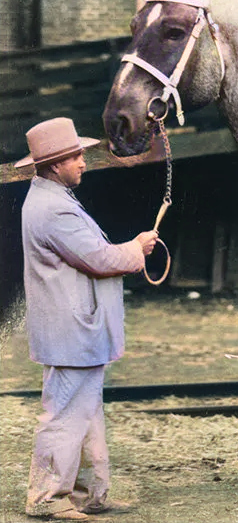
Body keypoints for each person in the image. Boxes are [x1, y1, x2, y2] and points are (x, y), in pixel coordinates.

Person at [13, 117, 159, 521]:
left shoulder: (52, 199)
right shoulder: (53, 209)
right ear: (54, 165)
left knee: (85, 413)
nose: (83, 161)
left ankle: (87, 494)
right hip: (70, 330)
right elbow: (98, 259)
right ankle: (48, 499)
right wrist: (136, 248)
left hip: (75, 330)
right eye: (75, 155)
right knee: (64, 416)